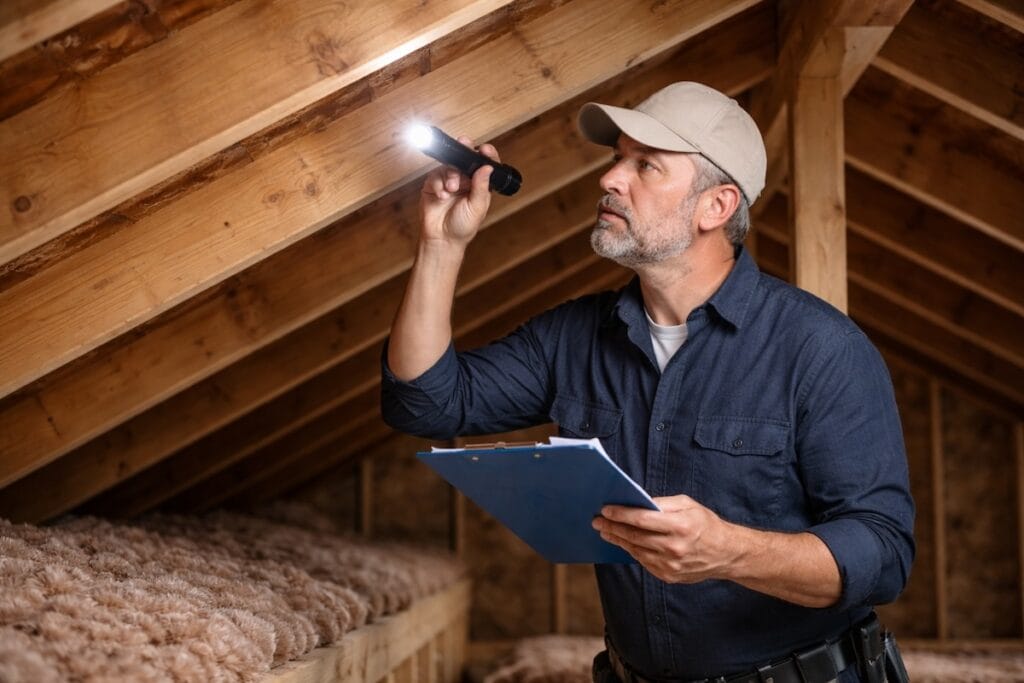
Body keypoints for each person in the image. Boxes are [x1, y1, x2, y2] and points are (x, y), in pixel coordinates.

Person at [380, 82, 914, 683]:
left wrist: (730, 550)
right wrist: (440, 245)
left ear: (716, 206)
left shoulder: (820, 349)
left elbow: (883, 554)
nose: (610, 180)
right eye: (616, 160)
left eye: (646, 165)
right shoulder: (574, 337)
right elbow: (424, 402)